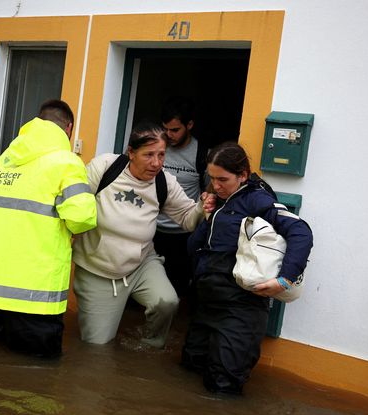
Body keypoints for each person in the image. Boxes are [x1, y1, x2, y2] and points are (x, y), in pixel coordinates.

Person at [181, 142, 313, 394]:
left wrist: (285, 280)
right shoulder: (220, 201)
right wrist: (208, 216)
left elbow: (300, 231)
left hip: (241, 309)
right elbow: (194, 247)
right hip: (207, 304)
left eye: (223, 179)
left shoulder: (257, 200)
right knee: (189, 369)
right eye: (212, 178)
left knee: (223, 387)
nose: (216, 185)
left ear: (242, 175)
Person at [71, 121, 214, 349]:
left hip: (141, 264)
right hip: (97, 269)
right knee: (96, 348)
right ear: (131, 153)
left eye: (161, 155)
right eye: (148, 155)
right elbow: (73, 204)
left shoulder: (163, 182)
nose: (156, 163)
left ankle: (148, 345)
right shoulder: (105, 168)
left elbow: (188, 218)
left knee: (166, 302)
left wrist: (202, 206)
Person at [0, 99, 97, 357]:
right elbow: (83, 218)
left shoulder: (6, 159)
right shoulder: (67, 162)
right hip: (35, 302)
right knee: (35, 386)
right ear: (69, 128)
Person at [154, 96, 209, 299]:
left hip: (183, 234)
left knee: (175, 290)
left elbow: (209, 191)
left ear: (190, 125)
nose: (169, 135)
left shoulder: (202, 154)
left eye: (175, 130)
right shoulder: (156, 148)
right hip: (151, 229)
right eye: (165, 129)